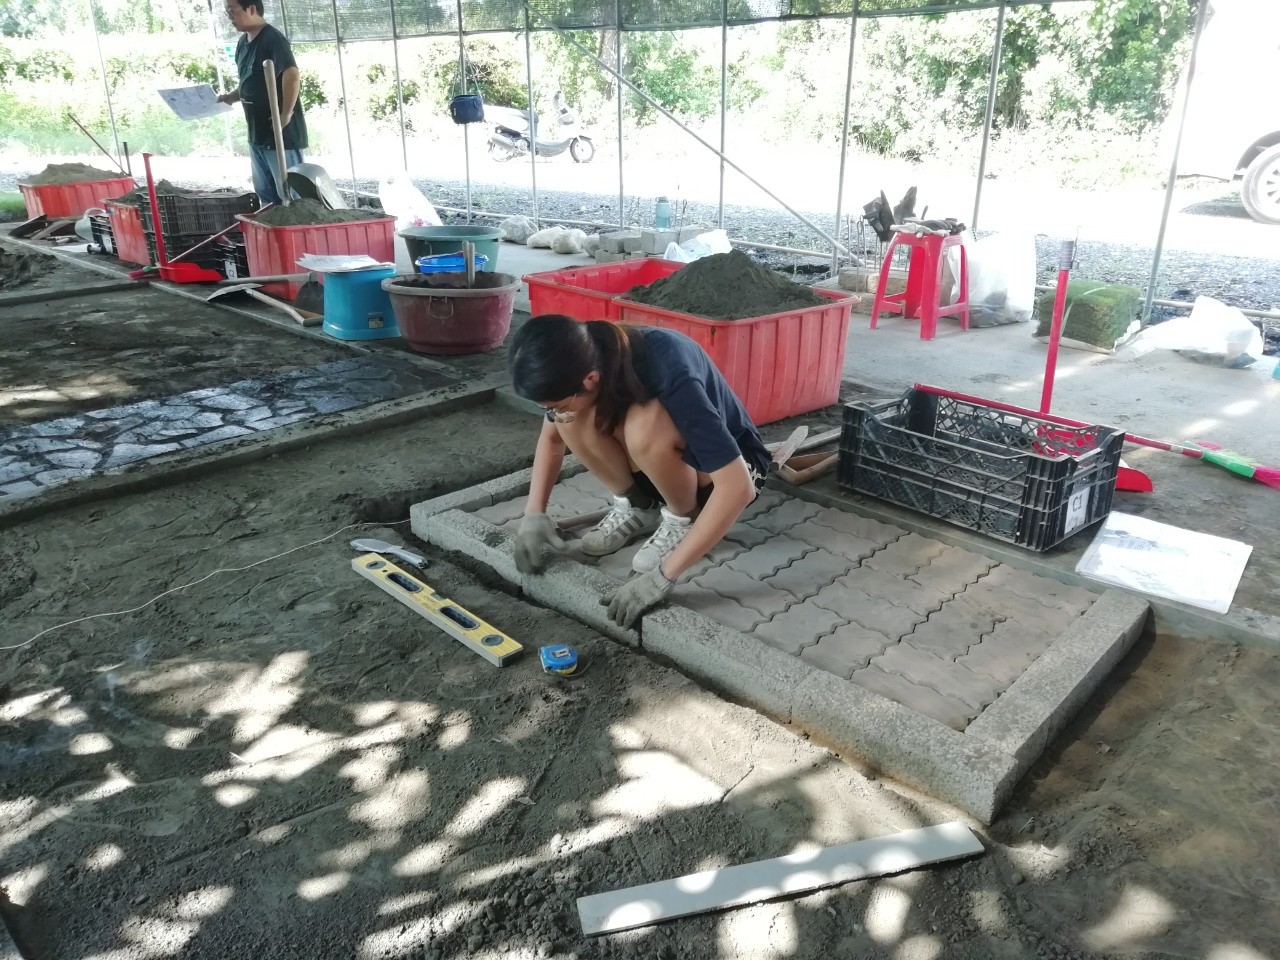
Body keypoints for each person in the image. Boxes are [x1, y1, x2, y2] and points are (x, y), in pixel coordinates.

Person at [509, 315, 772, 628]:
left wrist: (662, 578)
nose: (552, 412)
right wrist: (534, 513)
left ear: (590, 379)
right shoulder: (580, 354)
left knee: (645, 426)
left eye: (555, 403)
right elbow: (552, 438)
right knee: (570, 419)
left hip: (732, 469)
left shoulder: (668, 365)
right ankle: (638, 507)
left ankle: (684, 519)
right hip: (669, 468)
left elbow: (737, 487)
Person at [217, 0, 308, 206]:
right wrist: (231, 97)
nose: (230, 17)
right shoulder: (243, 43)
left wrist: (285, 114)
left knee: (290, 195)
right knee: (265, 194)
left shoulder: (272, 39)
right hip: (257, 134)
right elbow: (250, 83)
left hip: (280, 134)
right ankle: (271, 226)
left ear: (251, 9)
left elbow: (292, 74)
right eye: (226, 13)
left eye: (232, 11)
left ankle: (297, 226)